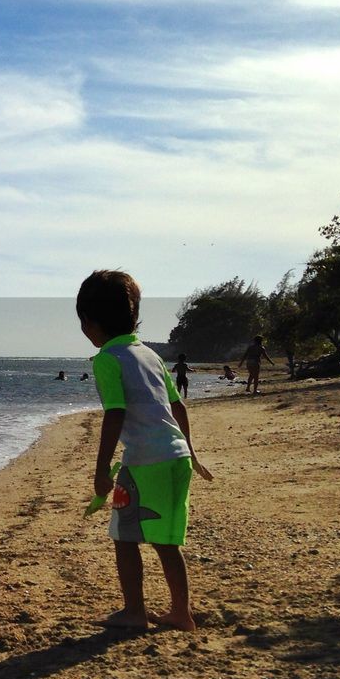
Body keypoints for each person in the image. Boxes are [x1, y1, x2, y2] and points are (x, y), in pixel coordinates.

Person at [77, 270, 213, 631]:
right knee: (166, 540)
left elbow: (116, 413)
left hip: (143, 462)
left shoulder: (107, 359)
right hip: (176, 457)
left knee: (124, 536)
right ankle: (180, 612)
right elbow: (177, 406)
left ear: (88, 322)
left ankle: (135, 611)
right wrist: (191, 451)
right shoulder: (150, 355)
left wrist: (101, 469)